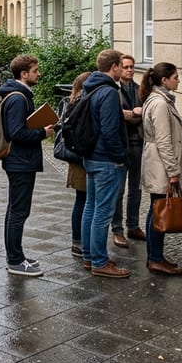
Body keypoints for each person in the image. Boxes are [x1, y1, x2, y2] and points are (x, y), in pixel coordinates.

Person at [0, 54, 55, 277]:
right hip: (20, 161)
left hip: (20, 161)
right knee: (18, 212)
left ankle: (17, 255)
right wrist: (43, 132)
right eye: (35, 70)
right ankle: (14, 260)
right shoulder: (18, 98)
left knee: (16, 210)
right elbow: (16, 132)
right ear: (24, 74)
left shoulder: (19, 96)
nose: (38, 73)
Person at [80, 50, 131, 279]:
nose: (123, 69)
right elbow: (110, 130)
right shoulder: (109, 92)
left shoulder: (89, 86)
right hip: (106, 159)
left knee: (90, 208)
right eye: (122, 65)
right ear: (114, 67)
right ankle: (100, 261)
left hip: (90, 156)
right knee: (102, 212)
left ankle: (89, 256)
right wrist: (120, 155)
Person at [139, 63, 182, 276]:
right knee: (159, 210)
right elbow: (163, 140)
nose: (178, 80)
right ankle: (155, 258)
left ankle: (155, 255)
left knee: (156, 209)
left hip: (157, 161)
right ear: (164, 80)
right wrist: (173, 171)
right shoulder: (160, 103)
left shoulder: (158, 99)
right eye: (175, 77)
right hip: (160, 164)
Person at [112, 55, 144, 248]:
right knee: (119, 190)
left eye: (132, 67)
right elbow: (117, 114)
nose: (130, 70)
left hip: (138, 141)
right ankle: (117, 228)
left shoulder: (139, 89)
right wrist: (133, 114)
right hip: (122, 142)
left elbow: (145, 111)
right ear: (119, 69)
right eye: (126, 67)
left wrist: (132, 115)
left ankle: (133, 225)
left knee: (136, 188)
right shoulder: (114, 90)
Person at [60, 72, 90, 259]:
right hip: (80, 159)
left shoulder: (73, 102)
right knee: (83, 200)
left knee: (82, 199)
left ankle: (79, 241)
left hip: (77, 158)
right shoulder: (80, 104)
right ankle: (78, 242)